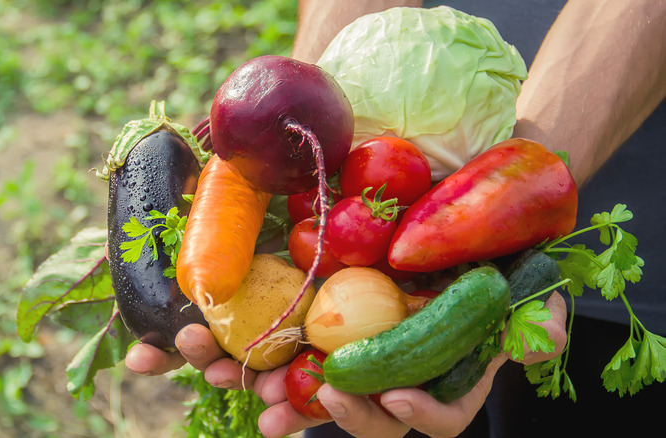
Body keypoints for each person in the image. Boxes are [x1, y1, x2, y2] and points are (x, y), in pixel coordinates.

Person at [125, 0, 666, 436]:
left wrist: (524, 176)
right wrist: (290, 109)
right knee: (358, 407)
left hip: (621, 184)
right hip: (344, 208)